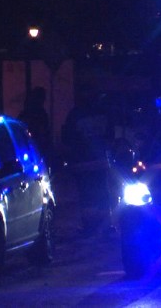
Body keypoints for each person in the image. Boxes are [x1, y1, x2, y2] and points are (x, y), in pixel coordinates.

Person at [62, 90, 114, 236]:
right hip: (100, 160)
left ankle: (89, 227)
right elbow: (111, 136)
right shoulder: (103, 113)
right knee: (102, 192)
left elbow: (67, 138)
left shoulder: (75, 114)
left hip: (82, 161)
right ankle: (105, 226)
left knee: (86, 194)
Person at [18, 86, 51, 160]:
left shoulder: (41, 113)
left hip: (36, 146)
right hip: (29, 145)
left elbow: (44, 129)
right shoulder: (32, 113)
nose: (44, 100)